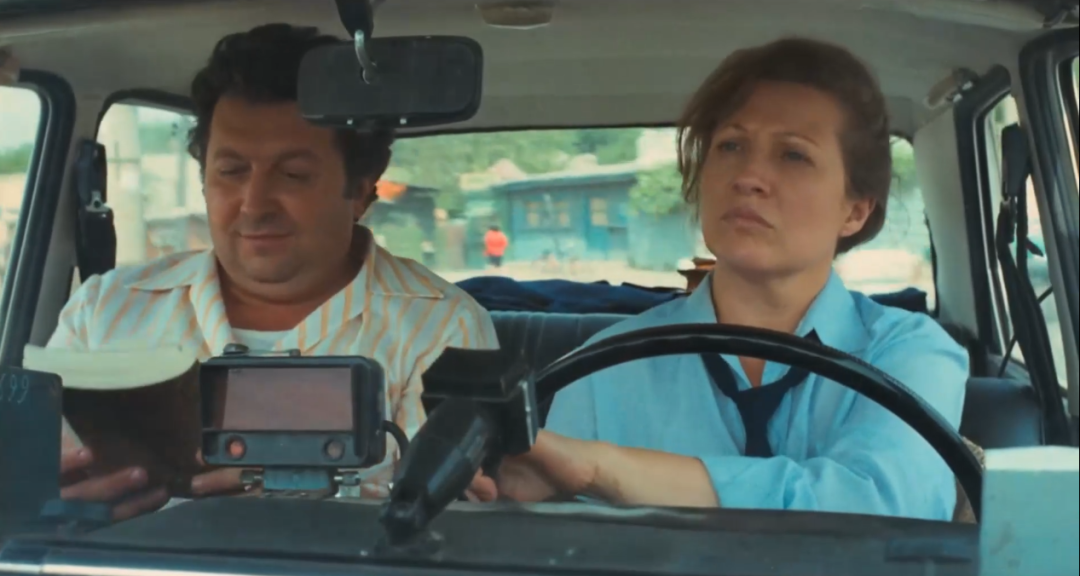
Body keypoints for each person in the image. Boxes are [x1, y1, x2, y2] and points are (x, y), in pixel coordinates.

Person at [469, 38, 968, 520]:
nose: (747, 176)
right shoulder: (603, 368)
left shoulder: (909, 354)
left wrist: (603, 470)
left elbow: (887, 507)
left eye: (793, 155)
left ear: (855, 211)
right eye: (730, 145)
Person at [52, 23, 498, 520]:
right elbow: (28, 485)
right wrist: (54, 503)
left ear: (361, 189)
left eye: (292, 175)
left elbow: (449, 526)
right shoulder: (104, 311)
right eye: (231, 171)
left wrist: (302, 502)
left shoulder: (441, 329)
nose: (254, 205)